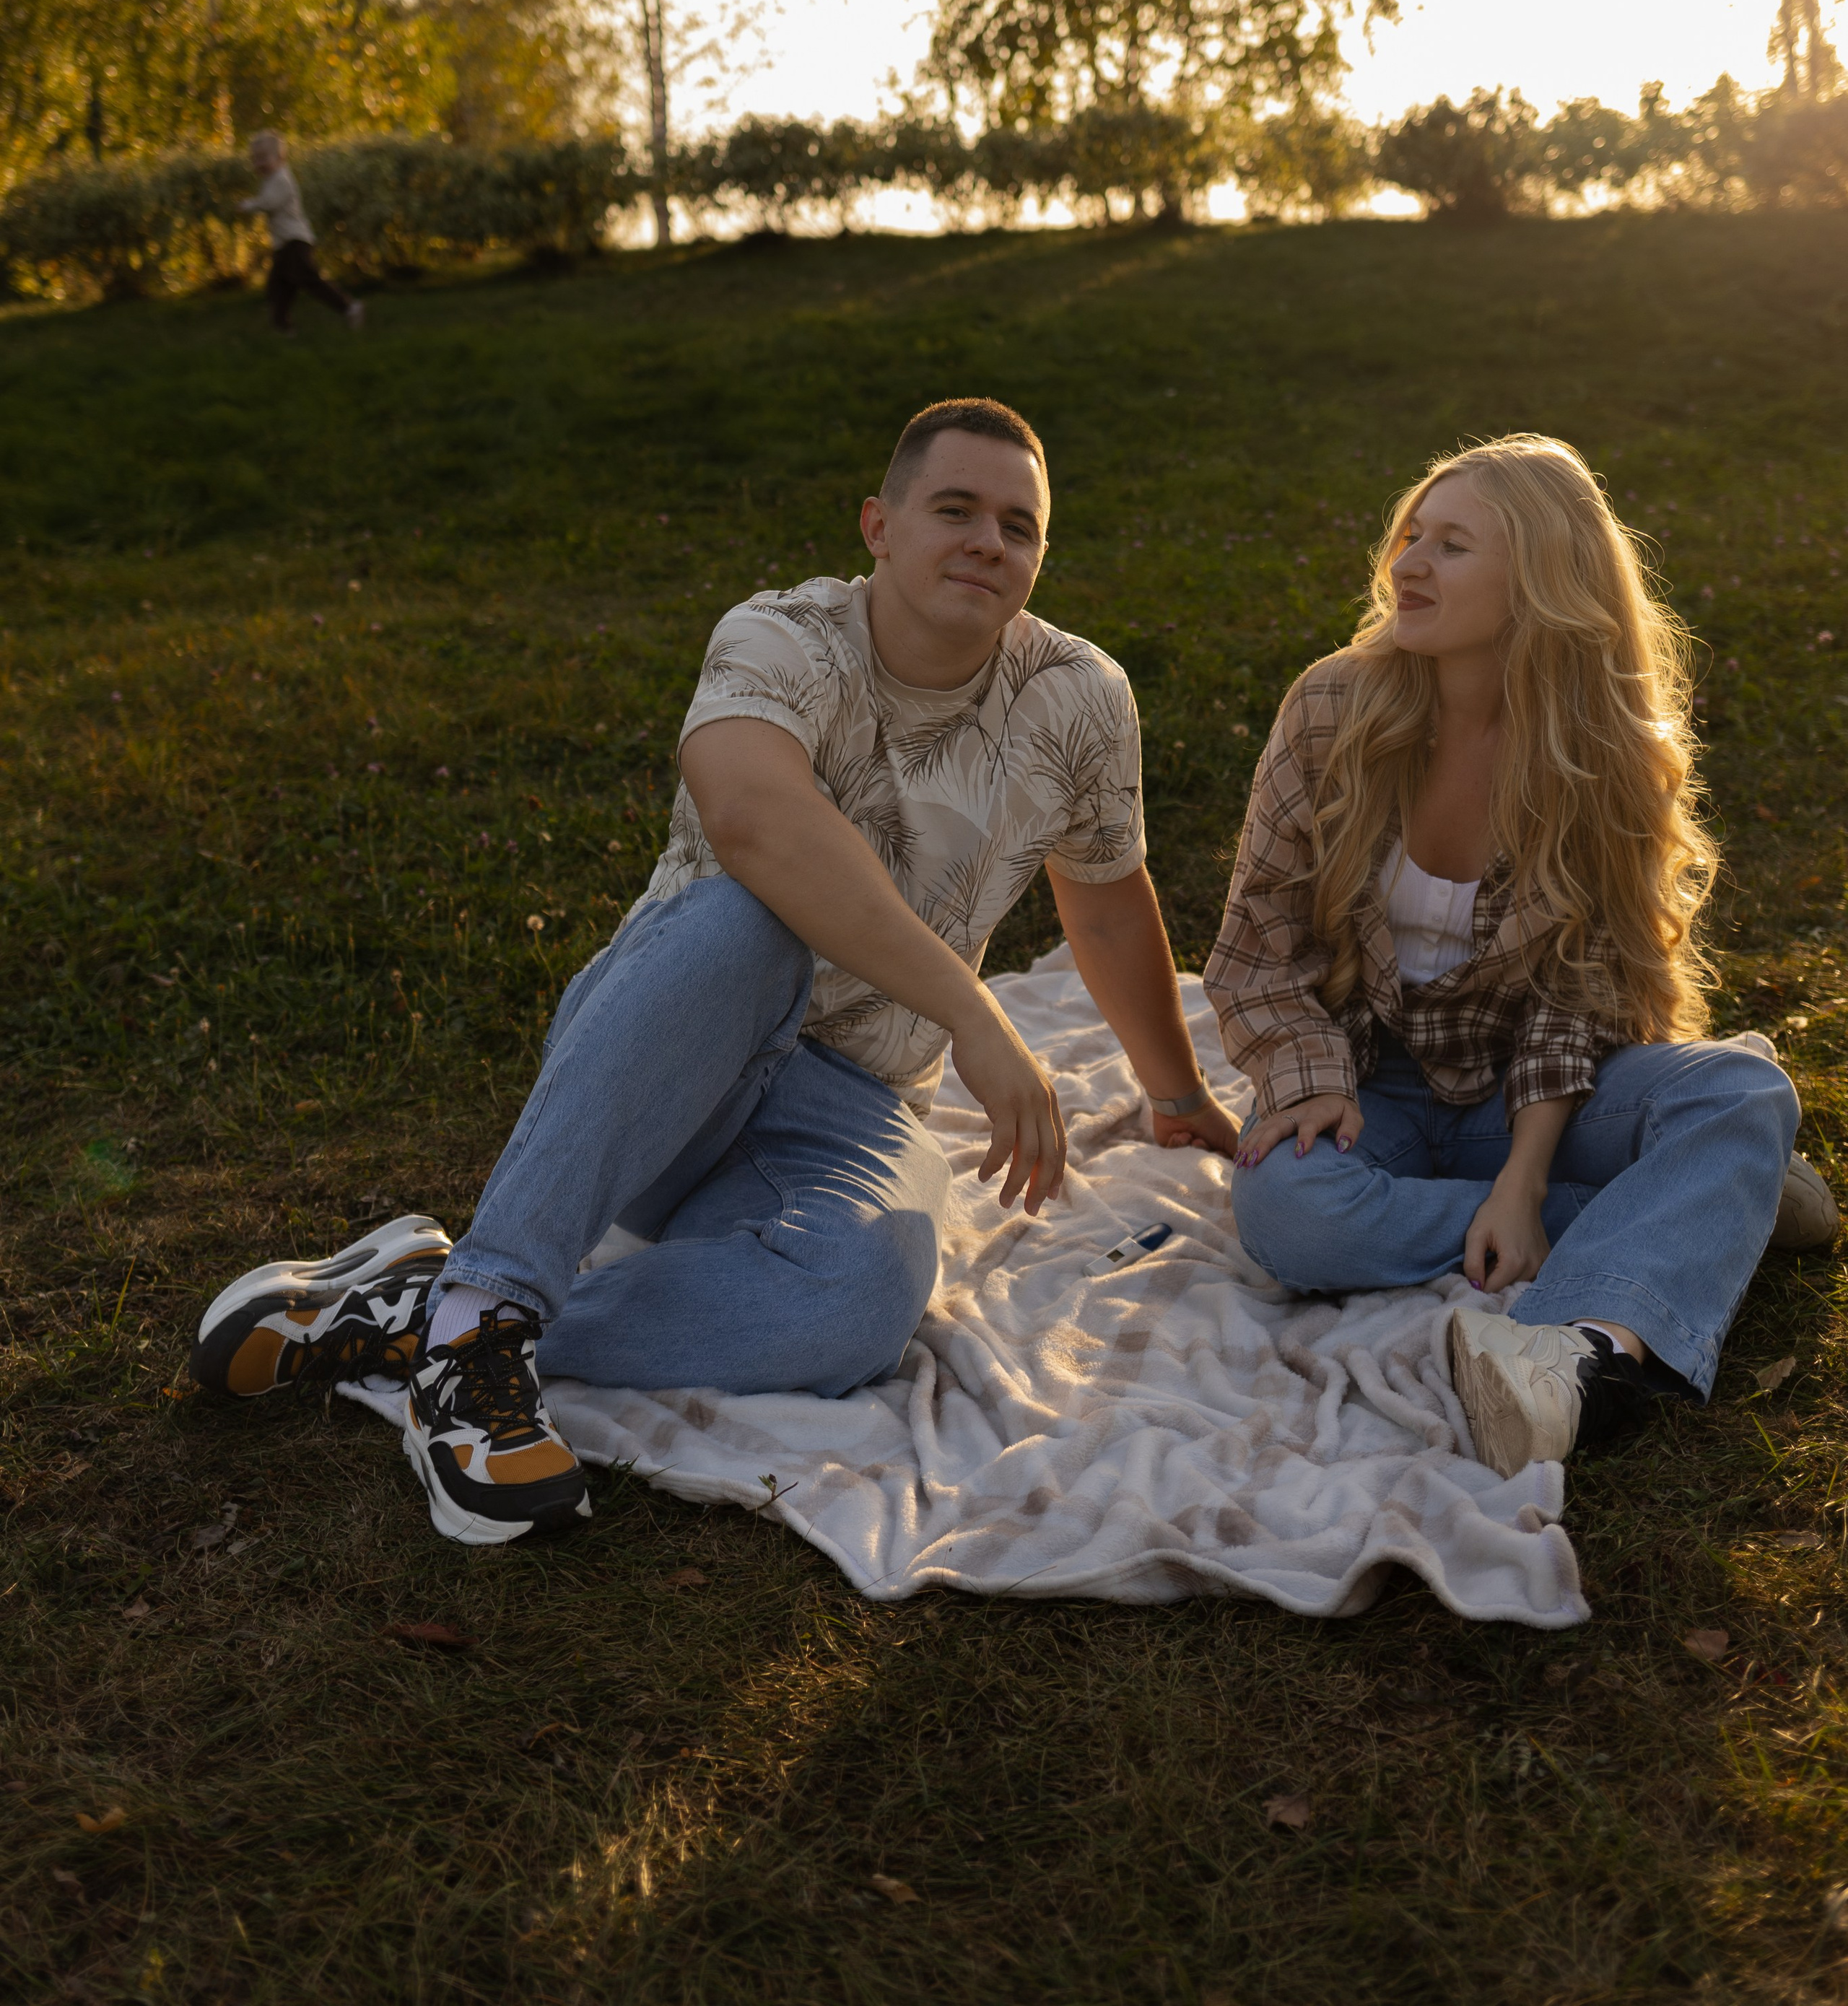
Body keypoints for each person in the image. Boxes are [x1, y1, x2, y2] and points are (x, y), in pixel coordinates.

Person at [191, 398, 1240, 1543]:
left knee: (862, 1298)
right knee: (751, 920)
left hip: (857, 1103)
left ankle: (425, 1309)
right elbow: (755, 824)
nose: (990, 540)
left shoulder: (1080, 697)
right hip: (677, 1049)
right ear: (878, 525)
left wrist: (1177, 1095)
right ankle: (479, 1331)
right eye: (956, 509)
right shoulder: (781, 636)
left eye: (1020, 525)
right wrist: (976, 1017)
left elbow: (1103, 906)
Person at [1206, 432, 1834, 1480]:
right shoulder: (1331, 706)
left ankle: (1582, 1336)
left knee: (1742, 1089)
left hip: (1540, 1086)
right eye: (1413, 534)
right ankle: (1711, 1206)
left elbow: (1580, 992)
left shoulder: (1600, 750)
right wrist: (1306, 1079)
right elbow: (1255, 939)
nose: (1408, 562)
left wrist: (1525, 1178)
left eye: (1452, 545)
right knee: (1287, 1213)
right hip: (1377, 1086)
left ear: (1540, 577)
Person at [239, 129, 363, 336]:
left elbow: (270, 203)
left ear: (280, 157)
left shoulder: (281, 179)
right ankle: (282, 326)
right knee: (278, 287)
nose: (258, 164)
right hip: (284, 244)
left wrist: (247, 205)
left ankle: (349, 308)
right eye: (255, 159)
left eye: (263, 159)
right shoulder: (271, 179)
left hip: (295, 241)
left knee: (309, 280)